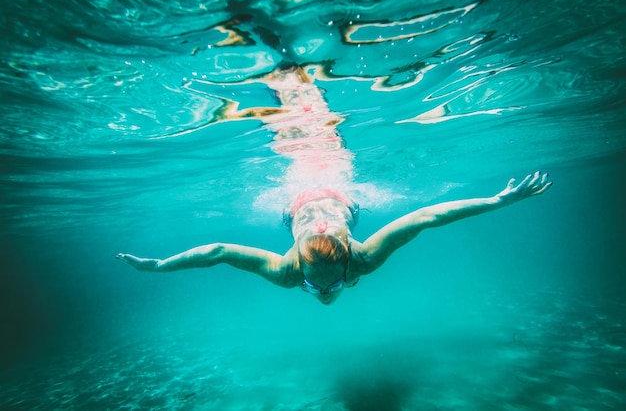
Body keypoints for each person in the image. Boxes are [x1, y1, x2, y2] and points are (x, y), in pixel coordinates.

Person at [117, 171, 551, 305]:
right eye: (332, 284)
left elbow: (217, 252)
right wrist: (496, 201)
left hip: (301, 199)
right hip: (336, 194)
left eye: (316, 285)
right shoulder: (359, 259)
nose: (324, 290)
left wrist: (160, 266)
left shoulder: (291, 271)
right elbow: (427, 216)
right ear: (346, 266)